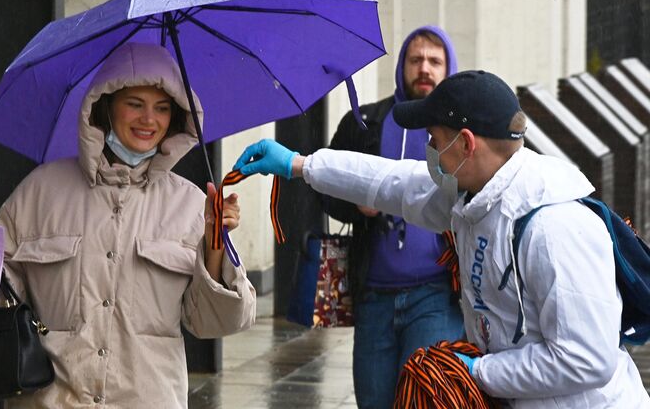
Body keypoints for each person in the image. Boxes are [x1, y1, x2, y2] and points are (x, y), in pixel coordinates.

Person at [233, 70, 650, 408]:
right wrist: (301, 165)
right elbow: (391, 183)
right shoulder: (470, 194)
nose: (429, 150)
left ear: (466, 143)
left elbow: (585, 360)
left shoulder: (556, 227)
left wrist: (478, 372)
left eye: (433, 139)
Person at [0, 43, 257, 408]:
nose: (149, 120)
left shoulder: (191, 204)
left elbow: (214, 322)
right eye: (135, 104)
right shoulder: (40, 191)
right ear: (105, 106)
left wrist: (214, 242)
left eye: (162, 108)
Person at [322, 25, 464, 409]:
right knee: (374, 401)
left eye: (435, 61)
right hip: (374, 297)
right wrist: (355, 204)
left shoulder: (466, 133)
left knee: (425, 399)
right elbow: (324, 193)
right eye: (416, 59)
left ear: (449, 69)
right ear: (402, 65)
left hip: (437, 295)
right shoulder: (363, 123)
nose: (425, 68)